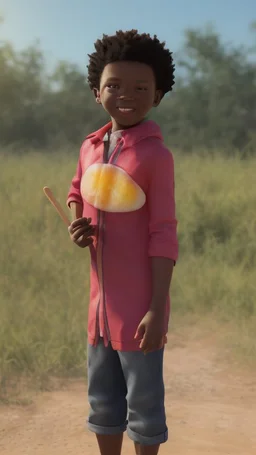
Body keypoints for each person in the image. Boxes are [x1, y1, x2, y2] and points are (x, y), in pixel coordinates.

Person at [66, 29, 178, 455]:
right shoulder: (90, 147)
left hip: (139, 309)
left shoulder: (156, 157)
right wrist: (77, 226)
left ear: (159, 95)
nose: (126, 95)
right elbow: (77, 191)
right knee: (102, 398)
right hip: (99, 307)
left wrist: (157, 308)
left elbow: (163, 232)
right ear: (97, 91)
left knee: (144, 403)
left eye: (141, 87)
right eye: (114, 85)